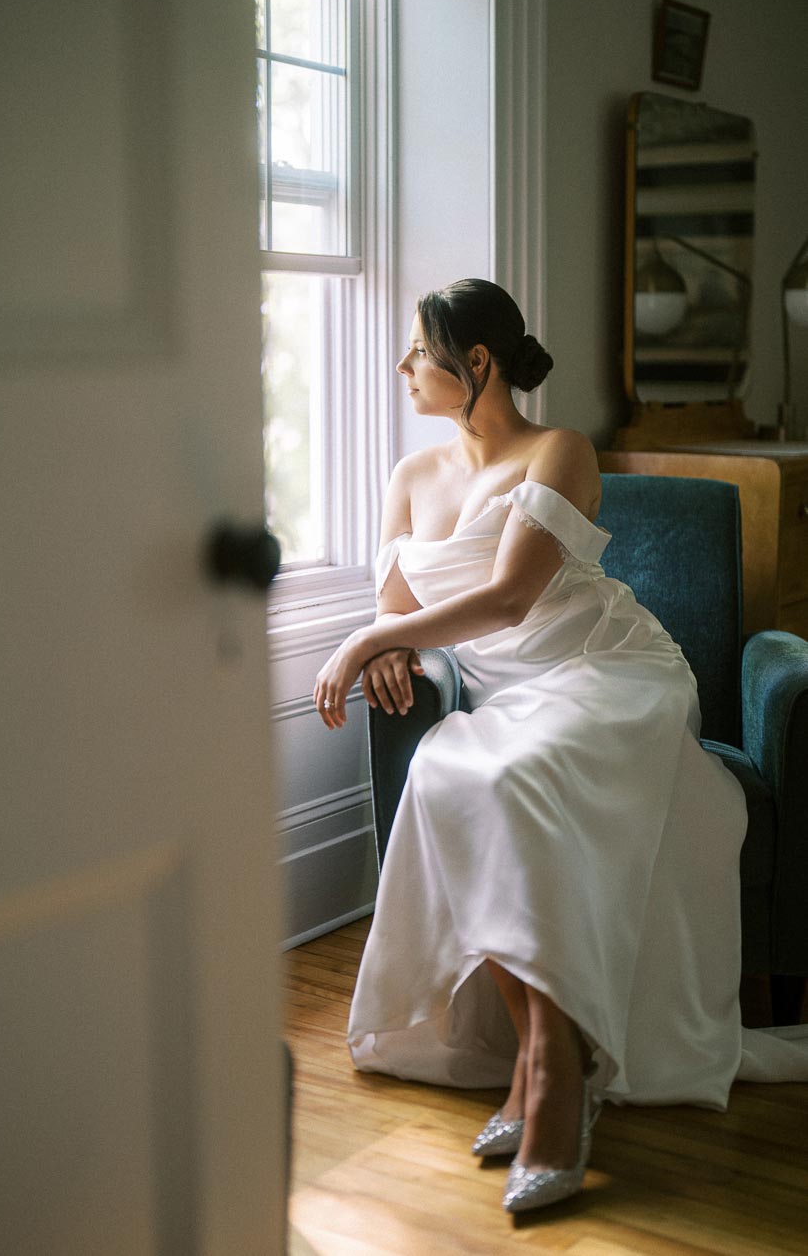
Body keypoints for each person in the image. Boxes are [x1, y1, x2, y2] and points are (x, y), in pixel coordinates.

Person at [312, 278, 808, 1216]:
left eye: (419, 350)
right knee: (446, 772)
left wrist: (368, 641)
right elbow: (399, 604)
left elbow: (508, 599)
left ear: (478, 362)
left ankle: (550, 1081)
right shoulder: (408, 477)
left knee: (513, 778)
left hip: (609, 674)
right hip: (506, 696)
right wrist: (390, 645)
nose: (403, 366)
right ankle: (555, 1053)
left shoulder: (560, 450)